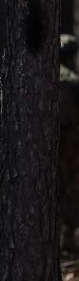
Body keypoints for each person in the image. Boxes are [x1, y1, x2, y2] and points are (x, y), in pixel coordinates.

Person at [59, 34, 79, 251]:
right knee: (72, 189)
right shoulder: (74, 81)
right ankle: (67, 238)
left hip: (46, 143)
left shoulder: (43, 77)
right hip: (71, 143)